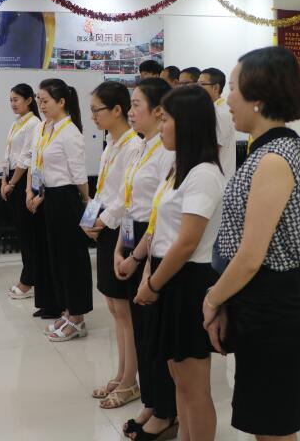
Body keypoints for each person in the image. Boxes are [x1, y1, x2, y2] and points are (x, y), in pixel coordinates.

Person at [205, 46, 300, 440]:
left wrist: (212, 299)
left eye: (234, 87)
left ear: (260, 98)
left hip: (271, 306)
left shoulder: (273, 159)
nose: (228, 98)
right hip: (257, 299)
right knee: (263, 421)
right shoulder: (264, 150)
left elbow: (252, 256)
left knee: (272, 426)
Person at [135, 85, 224, 441]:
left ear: (186, 123)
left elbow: (187, 242)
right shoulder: (179, 168)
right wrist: (149, 271)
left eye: (165, 120)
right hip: (169, 276)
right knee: (179, 379)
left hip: (187, 281)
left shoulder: (203, 174)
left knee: (193, 385)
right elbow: (163, 230)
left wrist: (153, 284)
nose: (160, 128)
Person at [114, 77, 178, 440]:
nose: (131, 110)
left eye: (136, 104)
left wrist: (138, 259)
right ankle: (151, 400)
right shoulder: (138, 147)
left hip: (151, 242)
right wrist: (118, 249)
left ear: (158, 111)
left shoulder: (168, 153)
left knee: (154, 333)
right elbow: (130, 203)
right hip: (131, 234)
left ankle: (165, 409)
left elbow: (160, 216)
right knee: (141, 331)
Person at [83, 81, 142, 408]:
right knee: (114, 308)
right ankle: (121, 374)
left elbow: (126, 197)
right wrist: (90, 219)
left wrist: (103, 221)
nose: (93, 116)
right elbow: (103, 190)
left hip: (123, 231)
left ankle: (130, 379)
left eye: (97, 110)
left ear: (117, 110)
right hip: (106, 228)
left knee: (125, 309)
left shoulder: (133, 146)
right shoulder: (110, 144)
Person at [27, 79, 92, 341]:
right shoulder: (49, 128)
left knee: (71, 260)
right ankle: (67, 311)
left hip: (67, 198)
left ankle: (78, 317)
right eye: (39, 100)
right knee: (57, 259)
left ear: (61, 102)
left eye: (45, 101)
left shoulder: (70, 132)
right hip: (51, 197)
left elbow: (78, 174)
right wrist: (37, 193)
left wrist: (87, 203)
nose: (41, 105)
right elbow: (42, 167)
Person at [1, 84, 43, 300]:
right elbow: (8, 153)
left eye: (16, 99)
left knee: (28, 236)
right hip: (11, 181)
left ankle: (29, 281)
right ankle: (30, 277)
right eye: (10, 100)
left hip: (23, 181)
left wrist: (12, 183)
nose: (13, 104)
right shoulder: (16, 123)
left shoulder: (34, 123)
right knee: (23, 235)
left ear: (28, 100)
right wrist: (3, 181)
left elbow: (26, 158)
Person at [199, 67, 236, 179]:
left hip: (218, 177)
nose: (198, 88)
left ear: (215, 87)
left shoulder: (220, 112)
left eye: (202, 84)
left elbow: (213, 149)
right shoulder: (213, 109)